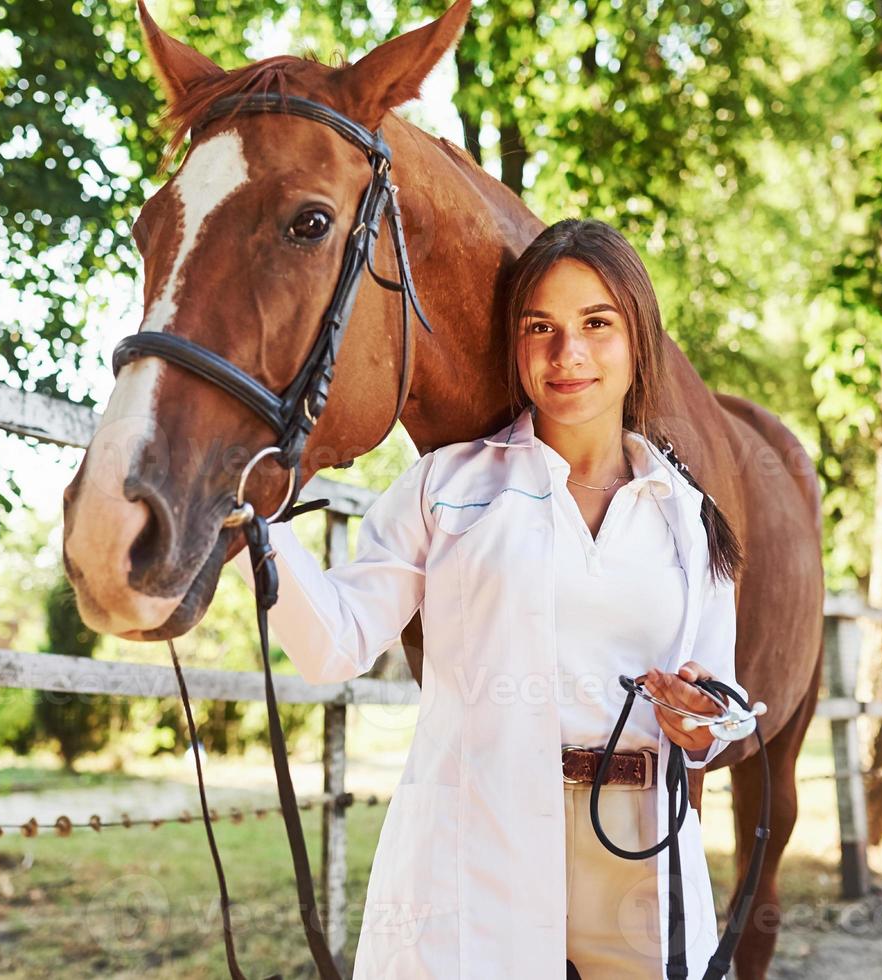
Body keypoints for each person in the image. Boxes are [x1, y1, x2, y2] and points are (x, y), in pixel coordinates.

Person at [233, 218, 744, 979]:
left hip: (638, 850)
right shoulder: (448, 487)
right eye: (541, 327)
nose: (567, 353)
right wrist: (250, 525)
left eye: (595, 324)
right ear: (515, 344)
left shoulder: (687, 516)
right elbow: (333, 644)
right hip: (481, 840)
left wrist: (701, 719)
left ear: (638, 339)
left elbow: (723, 707)